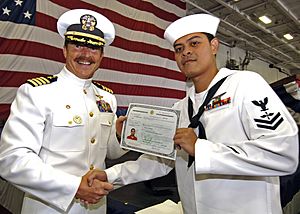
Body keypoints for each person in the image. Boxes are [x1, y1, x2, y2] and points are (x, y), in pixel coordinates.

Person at [88, 14, 299, 214]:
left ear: (214, 46)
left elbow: (283, 153)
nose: (186, 52)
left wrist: (201, 149)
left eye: (194, 43)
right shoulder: (179, 108)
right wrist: (110, 175)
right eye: (179, 48)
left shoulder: (245, 85)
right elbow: (159, 161)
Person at [0, 9, 127, 214]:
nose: (86, 54)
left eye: (94, 49)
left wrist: (120, 134)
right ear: (65, 50)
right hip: (50, 208)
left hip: (96, 207)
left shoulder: (107, 98)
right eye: (78, 45)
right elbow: (12, 159)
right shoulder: (37, 92)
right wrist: (73, 187)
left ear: (102, 56)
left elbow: (109, 152)